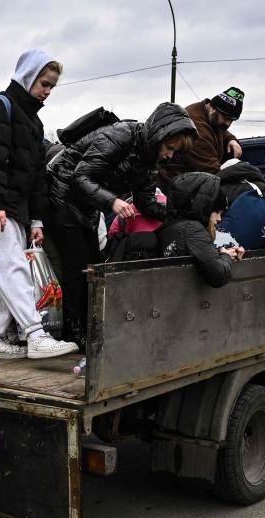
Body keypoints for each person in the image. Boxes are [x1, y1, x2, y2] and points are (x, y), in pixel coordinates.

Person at [0, 48, 79, 360]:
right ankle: (36, 334)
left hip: (11, 206)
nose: (47, 91)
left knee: (7, 270)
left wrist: (36, 220)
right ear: (27, 77)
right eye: (44, 83)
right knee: (13, 267)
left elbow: (37, 176)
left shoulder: (33, 122)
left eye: (51, 86)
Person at [47, 102, 198, 347]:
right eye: (170, 147)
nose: (170, 155)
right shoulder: (119, 135)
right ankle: (73, 332)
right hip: (62, 194)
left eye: (174, 152)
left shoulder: (148, 160)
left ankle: (84, 327)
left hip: (87, 204)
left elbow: (146, 201)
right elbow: (80, 177)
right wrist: (113, 201)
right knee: (77, 264)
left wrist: (178, 214)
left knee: (92, 265)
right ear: (159, 134)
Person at [159, 172, 242, 287]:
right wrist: (226, 256)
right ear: (204, 207)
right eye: (217, 212)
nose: (219, 219)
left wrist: (220, 254)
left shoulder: (172, 227)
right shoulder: (192, 229)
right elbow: (219, 276)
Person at [159, 86, 245, 186]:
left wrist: (231, 139)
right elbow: (214, 173)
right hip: (177, 185)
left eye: (231, 120)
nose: (228, 123)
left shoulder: (208, 113)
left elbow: (221, 129)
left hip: (194, 179)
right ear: (213, 109)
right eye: (226, 118)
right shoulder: (196, 130)